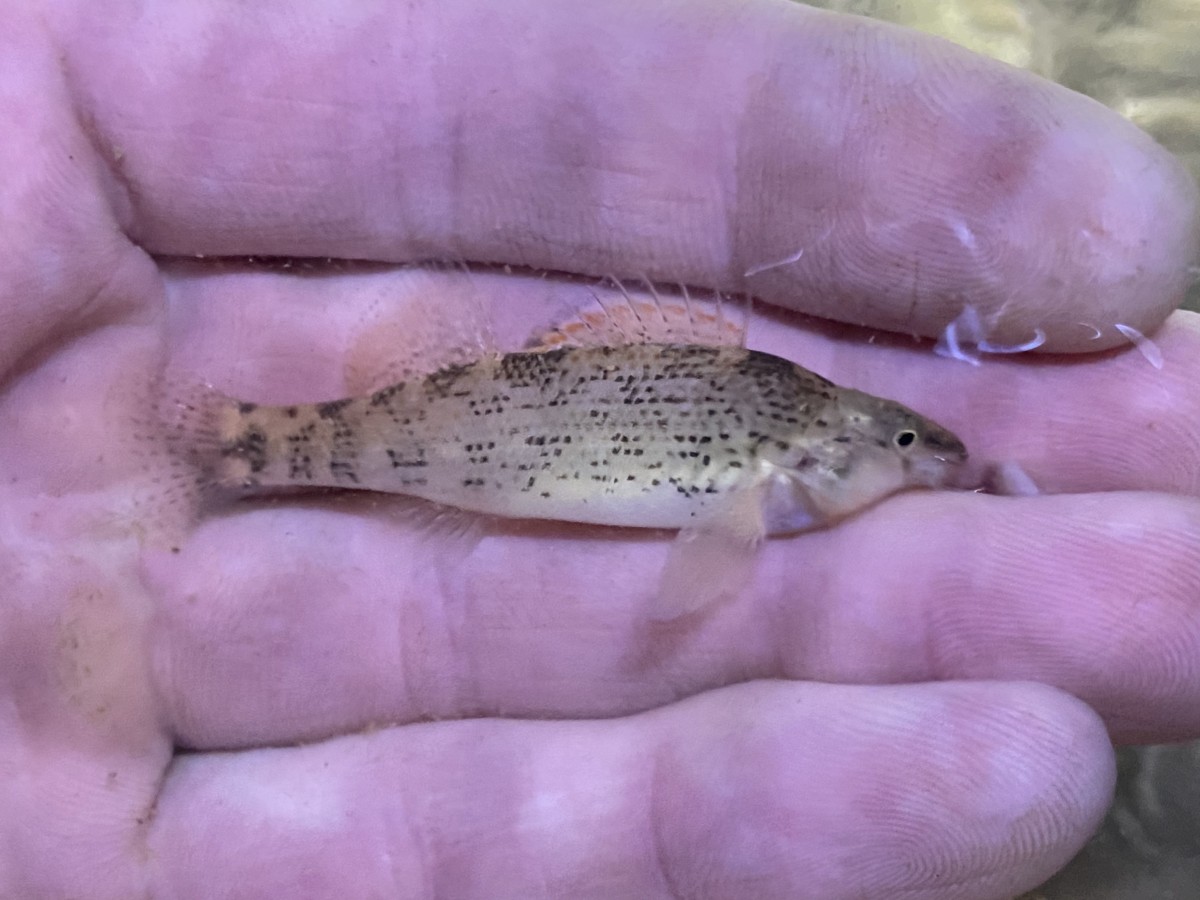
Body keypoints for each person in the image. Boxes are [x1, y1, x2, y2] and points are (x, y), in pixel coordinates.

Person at [2, 1, 1198, 898]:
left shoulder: (791, 447)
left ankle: (249, 452)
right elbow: (710, 557)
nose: (913, 460)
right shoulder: (785, 454)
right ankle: (241, 451)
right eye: (897, 443)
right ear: (829, 447)